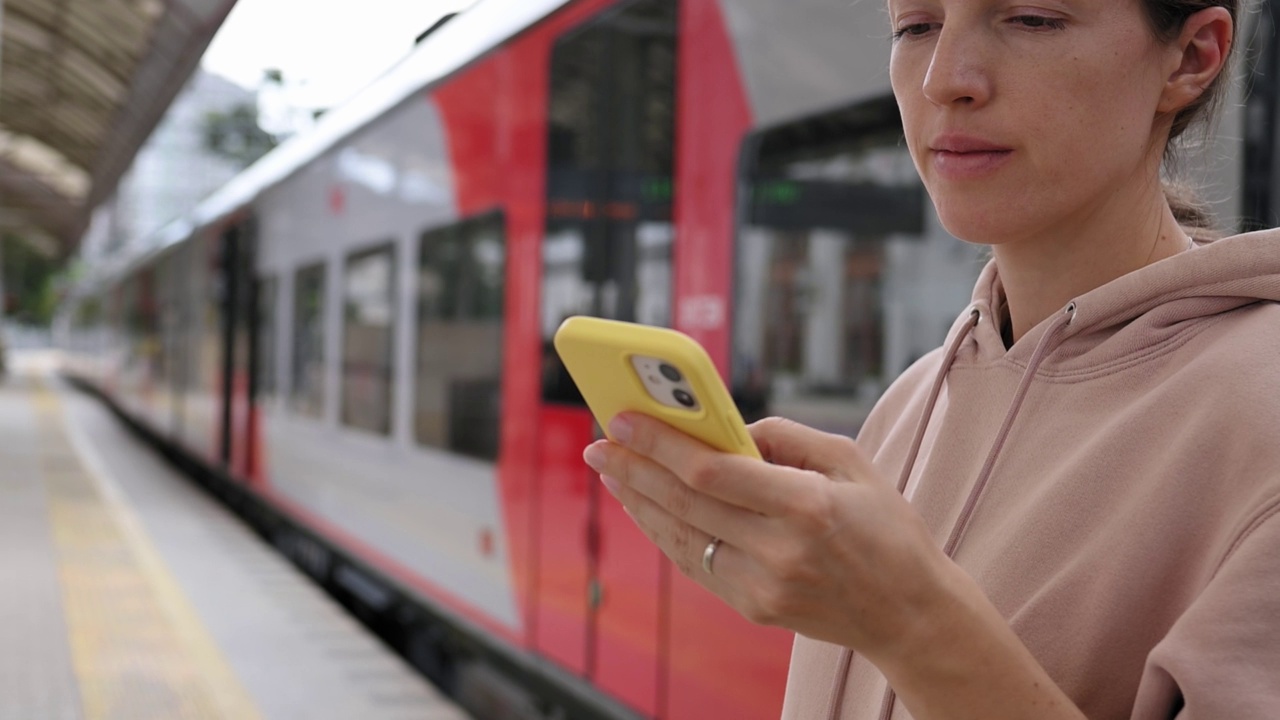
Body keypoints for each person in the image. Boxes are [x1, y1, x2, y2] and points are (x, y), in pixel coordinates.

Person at [582, 0, 1280, 718]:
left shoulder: (1264, 421)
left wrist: (908, 621)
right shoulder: (911, 400)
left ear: (1193, 55)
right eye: (916, 27)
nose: (944, 79)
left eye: (1032, 19)